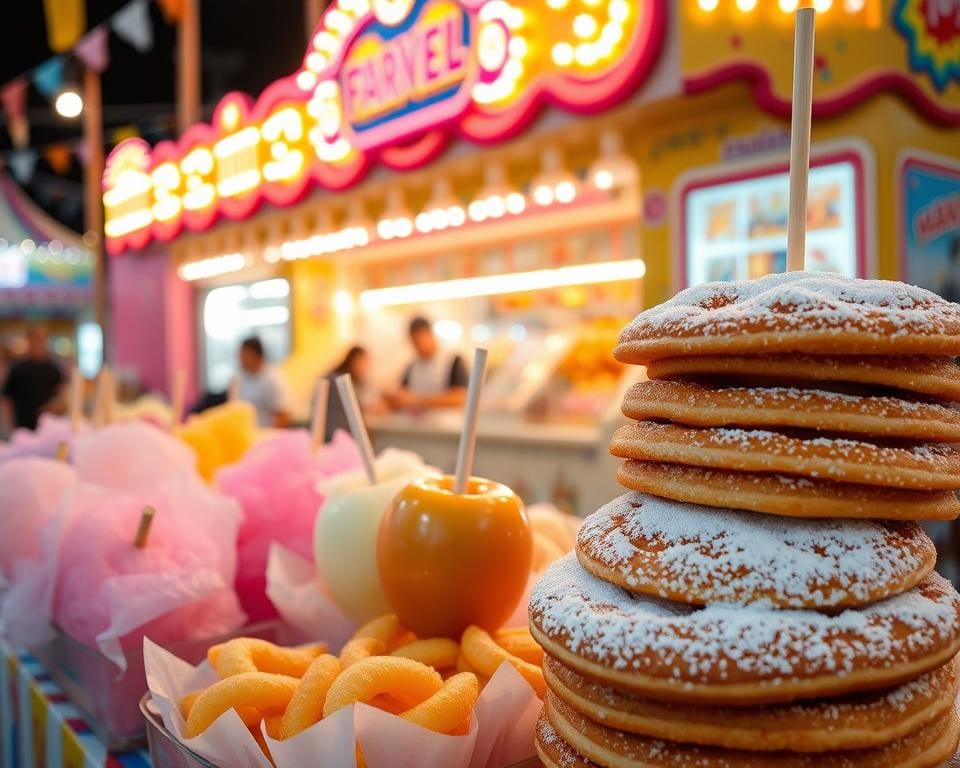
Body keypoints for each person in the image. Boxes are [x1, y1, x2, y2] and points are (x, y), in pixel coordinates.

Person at [387, 317, 468, 410]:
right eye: (413, 343)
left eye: (418, 341)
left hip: (447, 421)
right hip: (416, 422)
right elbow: (402, 394)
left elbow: (461, 397)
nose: (417, 347)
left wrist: (418, 400)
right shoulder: (412, 366)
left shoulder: (453, 360)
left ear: (429, 334)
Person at [0, 325, 64, 431]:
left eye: (42, 340)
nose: (40, 344)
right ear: (29, 341)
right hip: (23, 427)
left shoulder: (53, 368)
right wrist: (11, 428)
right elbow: (7, 401)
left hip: (47, 428)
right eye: (36, 339)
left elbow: (61, 393)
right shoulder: (18, 369)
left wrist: (54, 405)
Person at [320, 345, 386, 441]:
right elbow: (354, 410)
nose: (365, 369)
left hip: (330, 435)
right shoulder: (341, 382)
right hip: (336, 437)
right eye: (363, 364)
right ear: (354, 361)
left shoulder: (334, 378)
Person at [234, 336, 290, 428]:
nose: (240, 359)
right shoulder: (241, 378)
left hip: (265, 434)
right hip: (246, 434)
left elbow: (283, 414)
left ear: (253, 354)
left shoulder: (273, 378)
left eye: (243, 355)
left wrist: (270, 438)